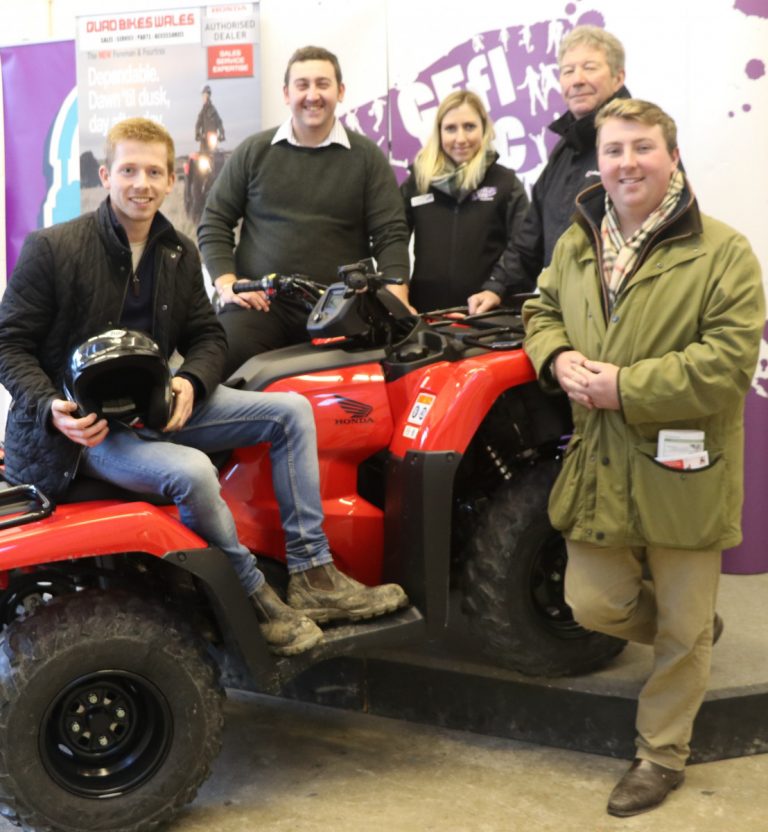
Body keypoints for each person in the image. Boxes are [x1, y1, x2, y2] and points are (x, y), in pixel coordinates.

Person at [0, 117, 407, 658]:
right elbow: (9, 344)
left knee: (291, 410)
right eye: (128, 170)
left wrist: (192, 380)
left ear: (171, 180)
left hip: (157, 405)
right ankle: (253, 595)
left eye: (153, 171)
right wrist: (53, 408)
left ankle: (313, 575)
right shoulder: (54, 248)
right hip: (83, 436)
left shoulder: (179, 253)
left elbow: (207, 335)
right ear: (106, 174)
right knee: (191, 472)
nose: (140, 183)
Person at [522, 99, 764, 816]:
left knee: (685, 630)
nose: (627, 162)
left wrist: (626, 386)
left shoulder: (724, 251)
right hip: (600, 462)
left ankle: (661, 755)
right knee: (593, 602)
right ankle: (688, 638)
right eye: (615, 149)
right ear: (599, 159)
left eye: (642, 148)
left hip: (686, 469)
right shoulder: (577, 241)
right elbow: (540, 311)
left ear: (672, 155)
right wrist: (557, 356)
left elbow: (728, 360)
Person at [197, 45, 411, 377]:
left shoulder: (367, 158)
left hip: (342, 305)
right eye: (302, 85)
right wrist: (228, 283)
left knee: (370, 385)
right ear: (286, 93)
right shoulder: (253, 152)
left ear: (340, 91)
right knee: (222, 357)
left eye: (323, 84)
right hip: (261, 303)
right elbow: (214, 222)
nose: (313, 95)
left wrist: (396, 301)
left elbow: (391, 234)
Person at [480, 25, 630, 313]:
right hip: (563, 311)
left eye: (589, 67)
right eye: (568, 71)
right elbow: (531, 235)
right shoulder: (564, 149)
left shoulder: (638, 137)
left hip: (618, 316)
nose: (577, 80)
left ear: (618, 77)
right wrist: (497, 286)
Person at [400, 90, 531, 313]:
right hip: (426, 317)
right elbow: (392, 239)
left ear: (485, 129)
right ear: (439, 133)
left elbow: (524, 245)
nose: (460, 138)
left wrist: (496, 287)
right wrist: (398, 293)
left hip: (487, 316)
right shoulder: (417, 184)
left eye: (469, 127)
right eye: (451, 128)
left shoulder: (505, 183)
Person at [195, 84, 225, 151]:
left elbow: (219, 122)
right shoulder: (202, 112)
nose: (206, 96)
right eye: (205, 94)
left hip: (213, 139)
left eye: (208, 94)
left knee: (217, 155)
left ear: (210, 95)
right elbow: (198, 123)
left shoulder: (214, 111)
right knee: (202, 156)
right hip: (204, 139)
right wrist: (197, 133)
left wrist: (222, 133)